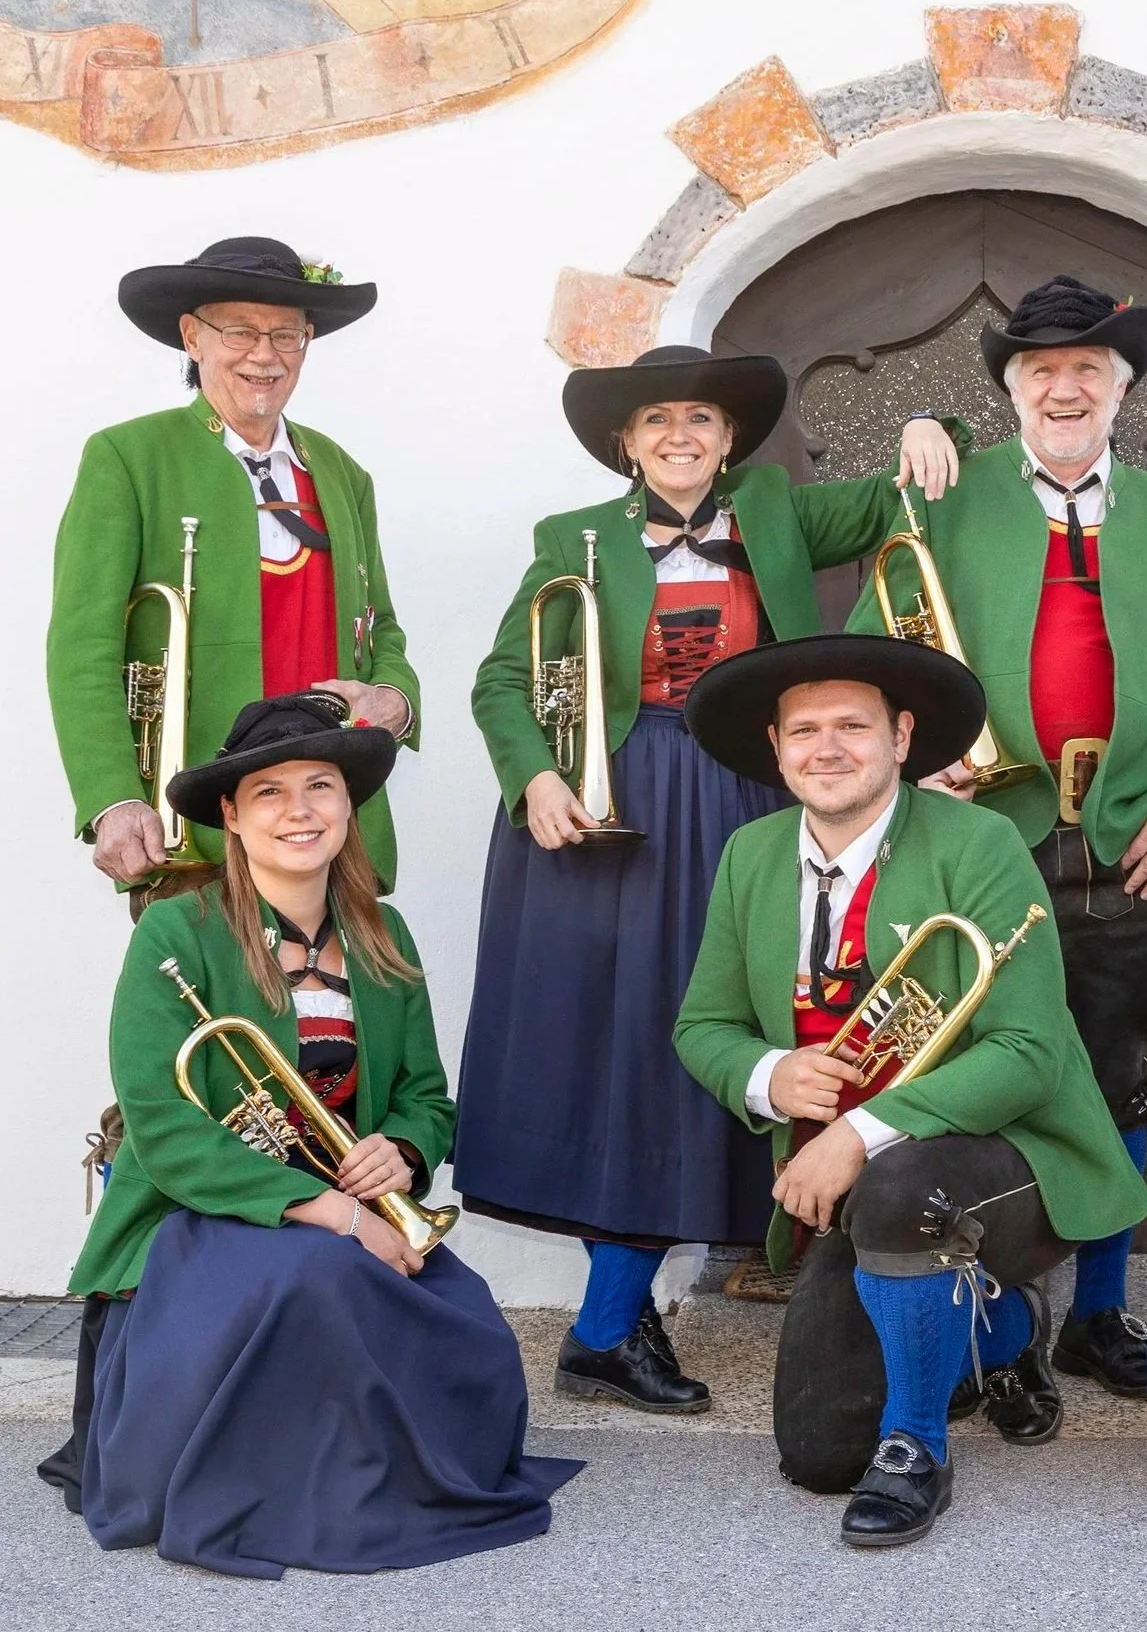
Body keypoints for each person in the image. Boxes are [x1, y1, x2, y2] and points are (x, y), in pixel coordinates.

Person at [454, 347, 966, 1412]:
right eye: (655, 421)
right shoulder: (571, 535)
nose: (678, 435)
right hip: (609, 809)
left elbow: (901, 495)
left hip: (738, 795)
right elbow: (503, 678)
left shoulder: (775, 508)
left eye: (699, 418)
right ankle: (608, 1323)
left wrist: (931, 420)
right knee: (615, 1053)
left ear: (730, 438)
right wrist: (536, 776)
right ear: (626, 443)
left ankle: (625, 1318)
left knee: (716, 1031)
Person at [36, 695, 578, 1577]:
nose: (299, 810)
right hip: (201, 1213)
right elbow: (162, 1124)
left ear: (348, 804)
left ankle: (379, 1477)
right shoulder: (179, 929)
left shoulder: (383, 935)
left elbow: (425, 1096)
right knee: (316, 1278)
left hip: (347, 1205)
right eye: (270, 792)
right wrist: (330, 1211)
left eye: (319, 786)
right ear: (230, 815)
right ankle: (298, 1488)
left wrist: (400, 1150)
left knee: (470, 1318)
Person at [846, 274, 1147, 1398]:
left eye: (1086, 369)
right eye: (1039, 370)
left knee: (1117, 1076)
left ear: (1122, 389)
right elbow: (872, 659)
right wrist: (917, 758)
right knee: (970, 1067)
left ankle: (1099, 1312)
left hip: (1129, 843)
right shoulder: (946, 494)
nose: (1063, 388)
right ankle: (979, 1308)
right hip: (982, 837)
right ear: (1012, 389)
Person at [674, 634, 1147, 1546]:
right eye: (803, 730)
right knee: (818, 1454)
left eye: (852, 726)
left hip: (1013, 1152)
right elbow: (702, 1026)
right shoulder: (749, 853)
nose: (827, 747)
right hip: (855, 1179)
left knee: (901, 1186)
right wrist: (770, 1073)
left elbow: (1027, 1050)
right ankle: (1001, 1328)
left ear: (900, 737)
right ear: (775, 747)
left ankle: (915, 1445)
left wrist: (857, 1130)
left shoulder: (980, 841)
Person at [47, 237, 419, 913]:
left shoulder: (343, 472)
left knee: (342, 989)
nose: (264, 355)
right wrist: (112, 797)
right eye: (241, 331)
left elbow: (381, 627)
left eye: (286, 334)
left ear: (307, 343)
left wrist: (396, 698)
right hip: (199, 830)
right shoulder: (127, 457)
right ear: (192, 337)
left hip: (333, 831)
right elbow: (83, 645)